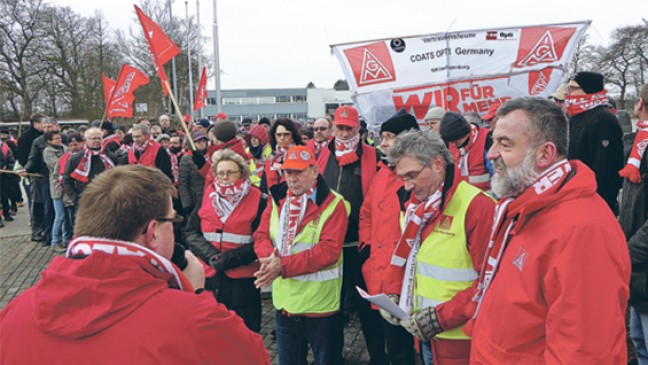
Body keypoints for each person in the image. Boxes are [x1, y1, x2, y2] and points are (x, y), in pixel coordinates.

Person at [0, 165, 270, 364]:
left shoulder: (14, 311)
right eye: (172, 220)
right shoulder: (197, 323)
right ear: (153, 232)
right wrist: (195, 296)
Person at [466, 97, 630, 363]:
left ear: (544, 154)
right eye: (493, 142)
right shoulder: (521, 207)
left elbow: (585, 353)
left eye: (504, 144)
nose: (491, 154)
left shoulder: (583, 229)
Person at [380, 130, 495, 365]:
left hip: (462, 338)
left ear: (438, 164)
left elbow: (491, 283)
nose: (408, 186)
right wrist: (393, 292)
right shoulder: (414, 207)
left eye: (412, 175)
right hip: (424, 333)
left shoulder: (478, 207)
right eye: (402, 178)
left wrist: (439, 319)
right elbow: (402, 257)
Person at [254, 145, 349, 365]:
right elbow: (261, 235)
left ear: (315, 171)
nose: (292, 179)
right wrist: (269, 260)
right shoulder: (277, 199)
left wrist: (281, 266)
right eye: (288, 172)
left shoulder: (334, 204)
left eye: (299, 172)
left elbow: (328, 252)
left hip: (320, 306)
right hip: (285, 303)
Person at [317, 105, 384, 365]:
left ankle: (378, 356)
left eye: (349, 127)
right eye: (340, 127)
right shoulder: (323, 155)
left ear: (358, 128)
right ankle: (333, 356)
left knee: (366, 307)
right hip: (330, 244)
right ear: (334, 128)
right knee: (332, 305)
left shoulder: (373, 156)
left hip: (359, 244)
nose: (344, 132)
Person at [359, 110, 420, 365]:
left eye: (389, 137)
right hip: (378, 270)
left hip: (406, 277)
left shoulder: (417, 176)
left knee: (404, 346)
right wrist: (366, 248)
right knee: (385, 340)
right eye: (382, 136)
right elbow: (366, 214)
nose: (382, 143)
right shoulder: (383, 172)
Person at [186, 149, 266, 332]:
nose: (225, 177)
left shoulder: (258, 199)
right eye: (220, 173)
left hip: (242, 282)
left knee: (244, 334)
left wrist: (229, 259)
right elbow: (191, 232)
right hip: (210, 277)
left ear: (242, 173)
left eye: (230, 172)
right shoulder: (208, 195)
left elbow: (262, 241)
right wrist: (212, 256)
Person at [565, 71, 624, 214]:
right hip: (572, 198)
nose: (567, 92)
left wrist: (599, 205)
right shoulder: (575, 116)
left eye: (572, 88)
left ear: (588, 89)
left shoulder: (604, 120)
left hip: (592, 204)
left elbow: (607, 170)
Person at [619, 83, 648, 364]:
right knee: (639, 343)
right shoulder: (640, 142)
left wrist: (626, 252)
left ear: (639, 103)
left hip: (639, 257)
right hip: (638, 269)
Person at [62, 128, 116, 217]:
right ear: (86, 140)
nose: (97, 141)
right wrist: (75, 199)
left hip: (107, 199)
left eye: (99, 138)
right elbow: (66, 180)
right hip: (85, 199)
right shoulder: (77, 158)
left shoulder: (109, 156)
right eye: (93, 138)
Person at [439, 112, 493, 192]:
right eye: (450, 141)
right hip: (461, 198)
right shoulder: (449, 144)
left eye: (455, 140)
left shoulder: (487, 139)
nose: (453, 145)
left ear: (465, 133)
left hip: (487, 198)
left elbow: (497, 174)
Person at [43, 131, 69, 252]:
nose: (59, 140)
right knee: (60, 215)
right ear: (49, 141)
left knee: (66, 217)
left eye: (60, 138)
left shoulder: (65, 148)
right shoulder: (48, 152)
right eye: (56, 139)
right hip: (57, 187)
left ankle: (65, 240)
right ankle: (54, 241)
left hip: (67, 187)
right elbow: (58, 165)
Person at [260, 119, 303, 194]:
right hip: (274, 202)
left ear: (293, 135)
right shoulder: (271, 158)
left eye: (286, 134)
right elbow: (264, 185)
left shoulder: (302, 155)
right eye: (279, 135)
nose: (282, 138)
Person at [179, 131, 209, 216]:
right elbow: (183, 183)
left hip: (208, 197)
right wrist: (186, 204)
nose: (202, 144)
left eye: (204, 141)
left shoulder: (210, 156)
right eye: (198, 142)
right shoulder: (186, 159)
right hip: (195, 199)